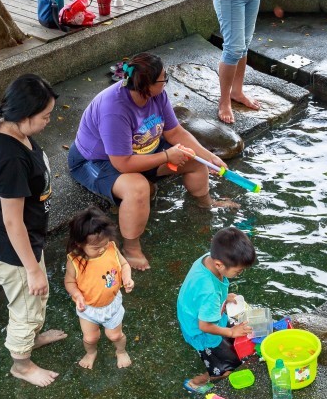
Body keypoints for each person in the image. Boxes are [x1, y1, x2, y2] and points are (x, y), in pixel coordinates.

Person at [68, 53, 236, 272]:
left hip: (145, 149)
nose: (166, 82)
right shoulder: (114, 109)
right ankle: (131, 247)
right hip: (97, 161)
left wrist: (208, 156)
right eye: (163, 79)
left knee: (194, 160)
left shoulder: (157, 95)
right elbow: (122, 164)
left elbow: (175, 131)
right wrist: (167, 157)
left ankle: (206, 202)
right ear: (146, 84)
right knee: (139, 189)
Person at [0, 74, 67, 387]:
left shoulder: (13, 129)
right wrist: (32, 269)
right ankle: (22, 364)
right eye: (45, 117)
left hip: (23, 241)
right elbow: (11, 220)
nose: (48, 121)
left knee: (35, 300)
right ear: (24, 117)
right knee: (27, 308)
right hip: (11, 249)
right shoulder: (9, 157)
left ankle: (32, 336)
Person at [177, 227, 257, 394]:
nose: (239, 273)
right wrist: (231, 332)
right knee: (224, 369)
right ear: (219, 264)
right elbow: (205, 326)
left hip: (199, 313)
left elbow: (204, 292)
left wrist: (224, 297)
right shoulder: (210, 293)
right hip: (202, 331)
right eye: (238, 271)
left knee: (233, 348)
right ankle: (199, 382)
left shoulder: (208, 258)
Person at [63, 207, 135, 369]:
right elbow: (69, 282)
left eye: (104, 244)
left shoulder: (111, 248)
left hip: (112, 304)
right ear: (79, 244)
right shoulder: (75, 261)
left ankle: (121, 351)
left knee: (115, 335)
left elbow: (124, 265)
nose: (102, 249)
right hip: (88, 308)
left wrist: (127, 277)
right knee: (90, 338)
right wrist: (77, 295)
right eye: (96, 248)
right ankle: (91, 353)